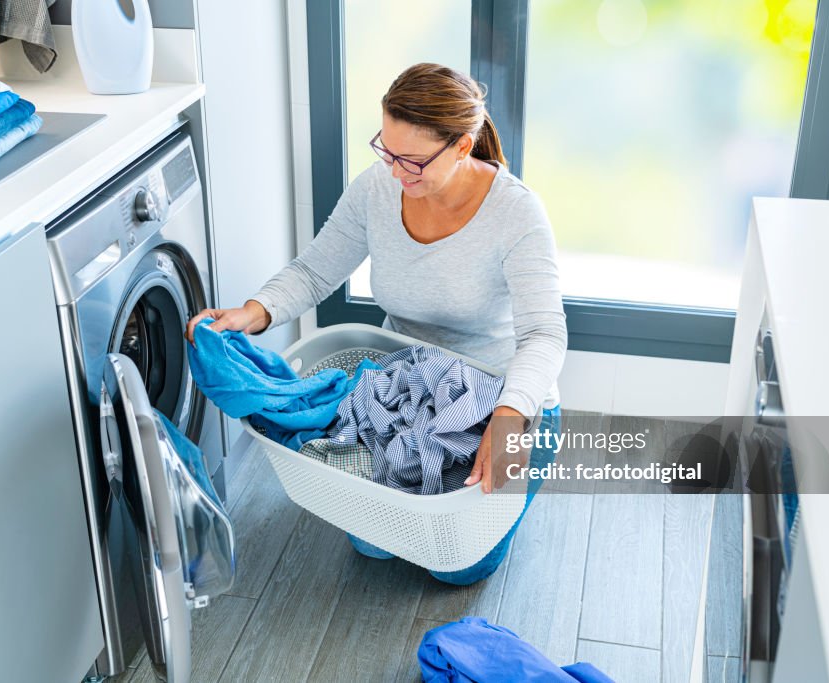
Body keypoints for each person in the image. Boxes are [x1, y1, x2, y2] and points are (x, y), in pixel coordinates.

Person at [185, 63, 567, 585]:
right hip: (401, 388)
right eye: (385, 150)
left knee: (456, 568)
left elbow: (545, 334)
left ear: (462, 145)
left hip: (503, 399)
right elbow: (316, 269)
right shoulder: (379, 189)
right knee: (374, 545)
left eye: (412, 160)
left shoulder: (516, 215)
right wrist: (252, 313)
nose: (394, 172)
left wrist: (508, 417)